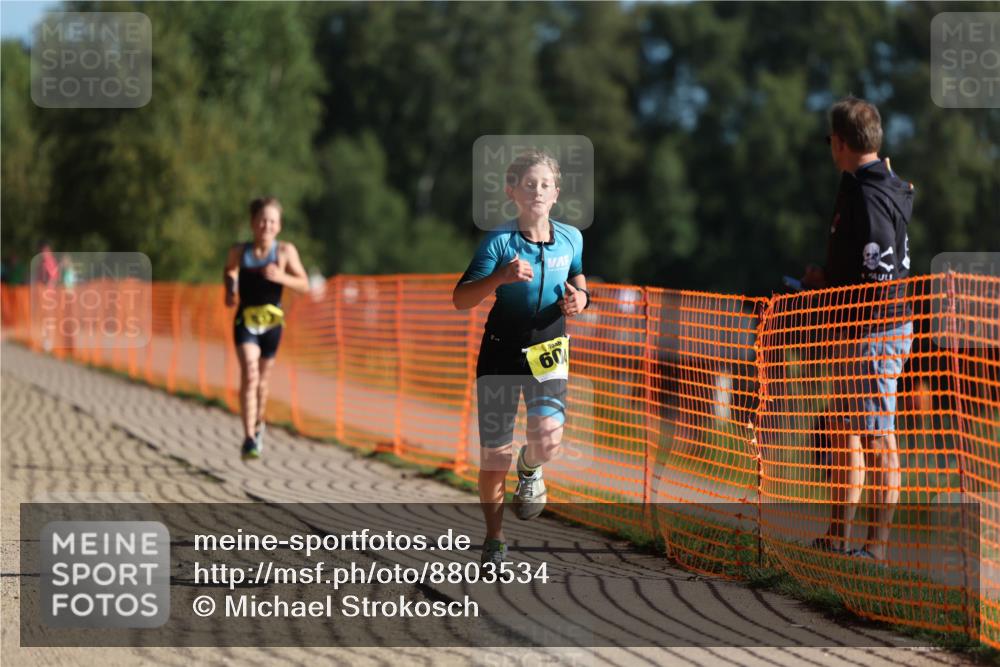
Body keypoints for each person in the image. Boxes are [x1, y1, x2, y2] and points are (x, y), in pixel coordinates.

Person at [452, 149, 588, 567]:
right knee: (495, 457)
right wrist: (500, 278)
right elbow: (461, 299)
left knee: (547, 440)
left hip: (548, 349)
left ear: (557, 192)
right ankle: (494, 537)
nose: (537, 191)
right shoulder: (499, 242)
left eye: (545, 184)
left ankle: (530, 469)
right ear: (512, 191)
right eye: (529, 184)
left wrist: (580, 299)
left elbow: (578, 274)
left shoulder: (571, 238)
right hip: (501, 352)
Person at [802, 96, 914, 561]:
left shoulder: (868, 193)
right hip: (859, 328)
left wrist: (831, 288)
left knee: (877, 434)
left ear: (841, 142)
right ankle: (840, 536)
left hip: (874, 328)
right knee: (849, 428)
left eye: (832, 141)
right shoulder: (866, 185)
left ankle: (876, 548)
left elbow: (878, 268)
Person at [223, 197, 310, 460]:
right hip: (246, 321)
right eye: (262, 220)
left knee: (262, 382)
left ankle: (259, 424)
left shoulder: (285, 252)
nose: (266, 225)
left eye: (272, 221)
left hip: (272, 324)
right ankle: (249, 437)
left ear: (279, 226)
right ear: (253, 223)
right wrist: (230, 290)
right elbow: (230, 270)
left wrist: (281, 276)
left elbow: (304, 284)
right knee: (249, 374)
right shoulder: (239, 251)